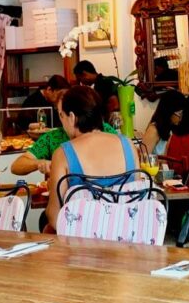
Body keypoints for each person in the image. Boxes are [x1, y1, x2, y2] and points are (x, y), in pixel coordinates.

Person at [46, 86, 140, 230]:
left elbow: (54, 216)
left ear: (71, 117)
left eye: (62, 116)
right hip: (127, 238)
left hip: (83, 246)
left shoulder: (63, 153)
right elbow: (137, 198)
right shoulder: (128, 144)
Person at [9, 118, 117, 177]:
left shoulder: (104, 130)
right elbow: (16, 166)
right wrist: (40, 163)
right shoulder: (52, 137)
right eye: (60, 114)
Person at [142, 89, 185, 156]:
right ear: (169, 111)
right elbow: (144, 158)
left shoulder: (171, 129)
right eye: (180, 113)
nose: (181, 118)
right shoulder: (154, 130)